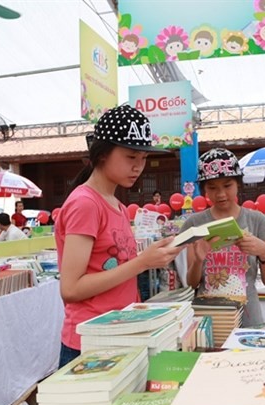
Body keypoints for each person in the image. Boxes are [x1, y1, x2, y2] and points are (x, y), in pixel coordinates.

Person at [54, 105, 184, 367]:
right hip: (91, 342)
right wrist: (142, 262)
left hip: (120, 332)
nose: (138, 167)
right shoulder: (86, 204)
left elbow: (117, 270)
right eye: (130, 157)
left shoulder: (117, 206)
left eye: (143, 158)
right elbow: (71, 289)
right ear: (102, 154)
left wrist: (153, 255)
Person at [181, 148, 265, 327]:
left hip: (248, 317)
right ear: (203, 190)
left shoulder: (256, 221)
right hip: (208, 319)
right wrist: (198, 261)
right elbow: (192, 283)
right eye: (212, 188)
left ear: (238, 183)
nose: (221, 194)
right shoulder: (194, 224)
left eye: (227, 185)